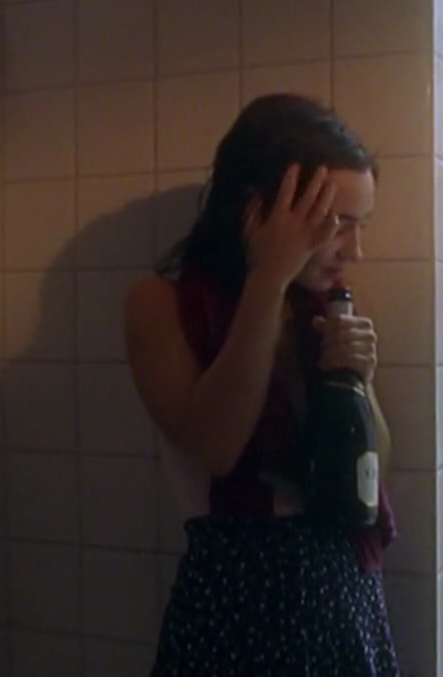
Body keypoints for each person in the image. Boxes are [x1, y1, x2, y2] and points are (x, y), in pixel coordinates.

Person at [124, 94, 399, 677]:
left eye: (362, 226)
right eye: (336, 225)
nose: (355, 251)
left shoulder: (330, 306)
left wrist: (359, 384)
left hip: (343, 595)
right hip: (237, 603)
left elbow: (371, 472)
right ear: (260, 210)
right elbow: (217, 445)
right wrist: (268, 279)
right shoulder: (160, 304)